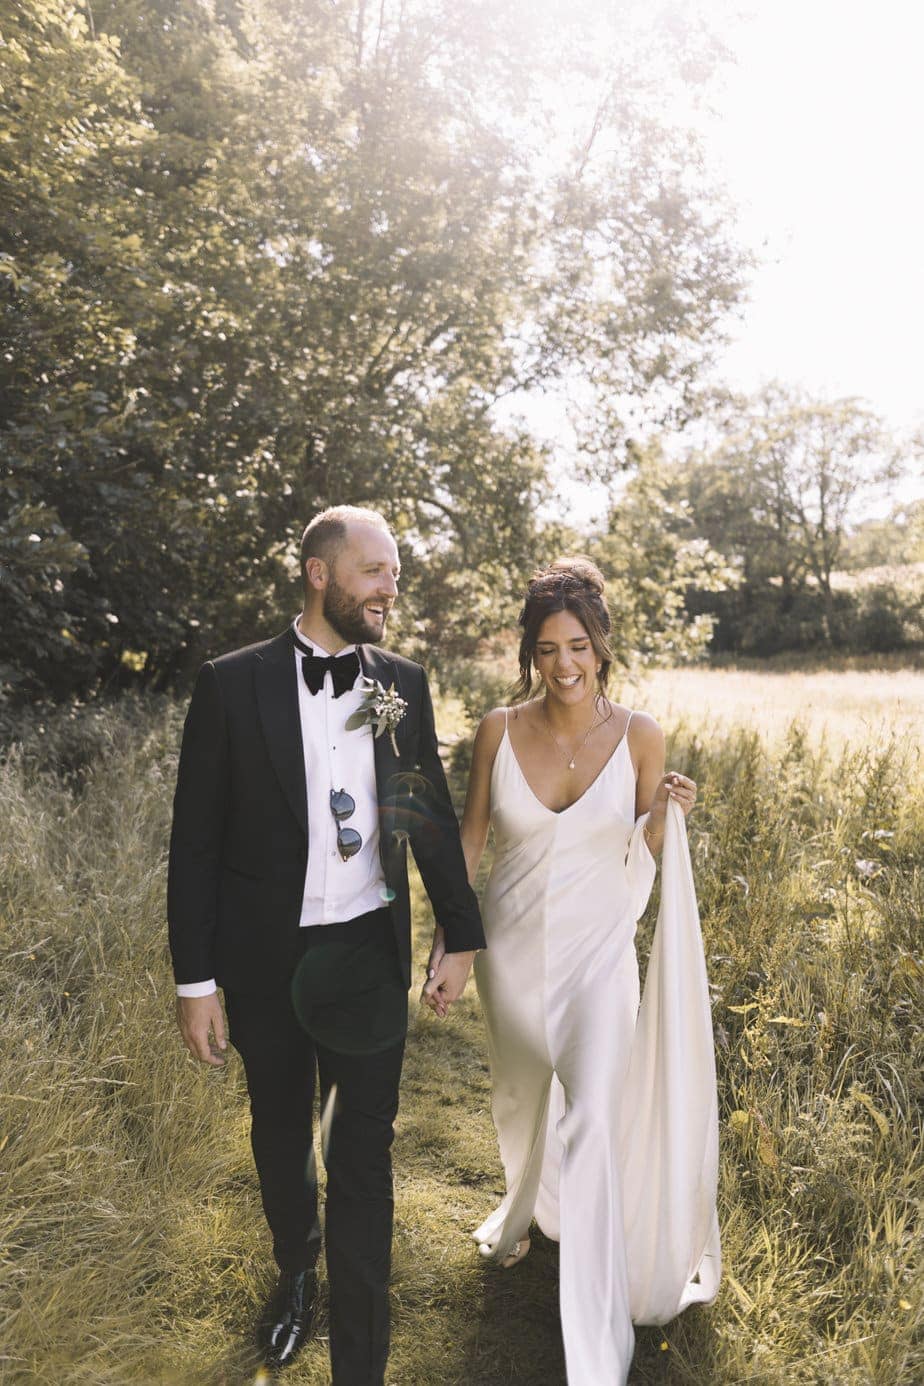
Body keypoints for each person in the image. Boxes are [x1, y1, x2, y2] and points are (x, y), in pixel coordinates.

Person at [167, 505, 485, 1381]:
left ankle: (362, 1360)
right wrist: (195, 981)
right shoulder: (230, 684)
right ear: (320, 573)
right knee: (280, 1134)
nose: (391, 588)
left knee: (362, 1153)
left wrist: (460, 934)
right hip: (266, 962)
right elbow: (194, 842)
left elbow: (425, 816)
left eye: (394, 574)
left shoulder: (404, 684)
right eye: (376, 571)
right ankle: (297, 1274)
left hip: (366, 958)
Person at [425, 557, 720, 1385]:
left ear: (602, 648)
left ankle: (594, 1343)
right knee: (522, 1105)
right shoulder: (497, 728)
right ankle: (523, 1205)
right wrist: (452, 944)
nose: (564, 665)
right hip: (511, 956)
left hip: (598, 957)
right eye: (548, 648)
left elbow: (642, 853)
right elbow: (472, 838)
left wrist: (667, 816)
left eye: (579, 646)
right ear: (530, 652)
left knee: (592, 1116)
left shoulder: (641, 734)